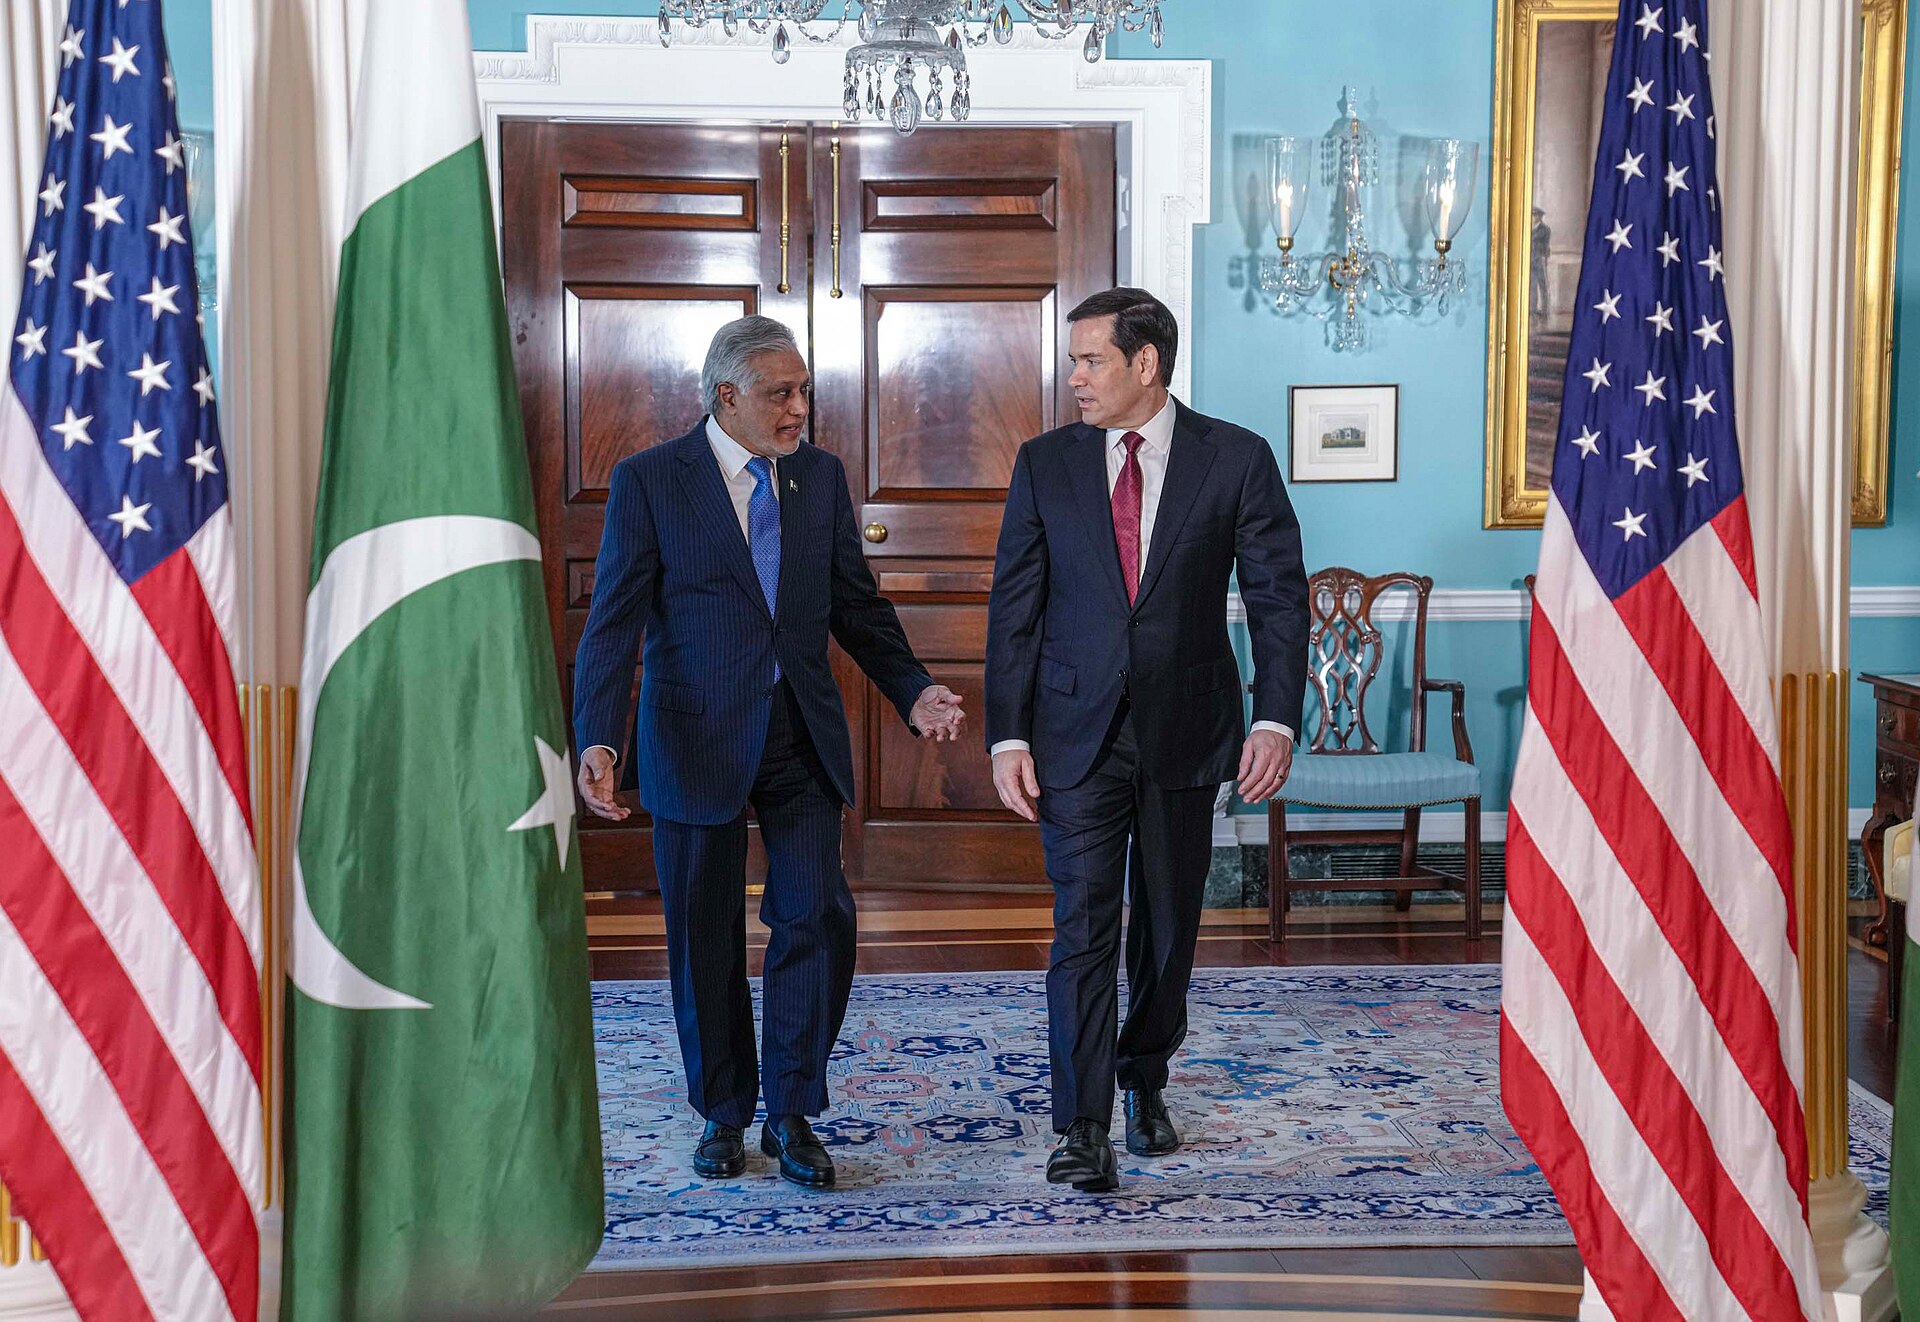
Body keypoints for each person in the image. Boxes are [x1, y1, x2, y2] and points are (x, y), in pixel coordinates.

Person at [573, 315, 965, 1189]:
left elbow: (856, 606)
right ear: (727, 396)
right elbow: (615, 619)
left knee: (816, 918)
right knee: (702, 936)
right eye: (780, 394)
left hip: (799, 736)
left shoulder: (819, 478)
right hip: (693, 739)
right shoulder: (649, 481)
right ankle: (722, 1111)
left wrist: (914, 688)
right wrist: (597, 735)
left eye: (803, 392)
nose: (799, 409)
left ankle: (791, 1109)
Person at [985, 287, 1308, 1192]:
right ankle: (1081, 1125)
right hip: (1072, 734)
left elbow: (1281, 598)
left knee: (1167, 933)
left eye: (1091, 360)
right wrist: (1007, 734)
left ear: (1146, 364)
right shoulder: (1044, 463)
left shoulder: (1236, 459)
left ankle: (1144, 1075)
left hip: (1188, 731)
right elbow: (1015, 607)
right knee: (1082, 927)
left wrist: (1276, 719)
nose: (1074, 377)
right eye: (1075, 360)